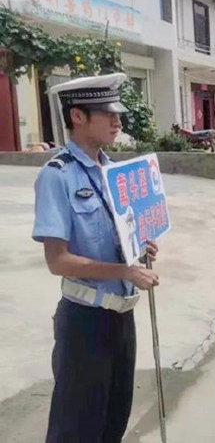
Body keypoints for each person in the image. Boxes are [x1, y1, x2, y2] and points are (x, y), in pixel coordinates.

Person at [33, 73, 160, 443]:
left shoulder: (116, 173)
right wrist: (124, 270)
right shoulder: (57, 176)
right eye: (107, 113)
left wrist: (141, 251)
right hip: (85, 323)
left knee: (113, 422)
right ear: (78, 116)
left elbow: (122, 238)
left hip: (122, 318)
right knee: (77, 429)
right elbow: (58, 260)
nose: (117, 121)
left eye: (117, 112)